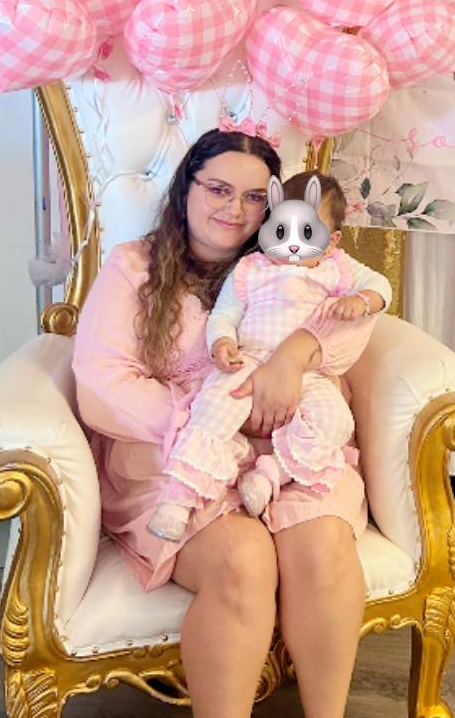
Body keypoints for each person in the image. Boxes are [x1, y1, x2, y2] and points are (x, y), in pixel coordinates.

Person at [73, 128, 383, 718]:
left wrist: (301, 351)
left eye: (252, 195)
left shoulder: (291, 257)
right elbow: (101, 381)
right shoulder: (134, 267)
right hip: (177, 453)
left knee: (322, 541)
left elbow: (353, 323)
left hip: (292, 439)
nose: (234, 208)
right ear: (185, 188)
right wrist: (213, 418)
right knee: (243, 558)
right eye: (217, 187)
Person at [147, 171, 384, 544]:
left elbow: (380, 287)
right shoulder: (251, 269)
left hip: (309, 374)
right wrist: (221, 342)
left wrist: (362, 300)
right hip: (250, 359)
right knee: (213, 408)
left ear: (330, 240)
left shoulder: (336, 268)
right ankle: (179, 499)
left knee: (335, 421)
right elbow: (225, 313)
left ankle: (273, 473)